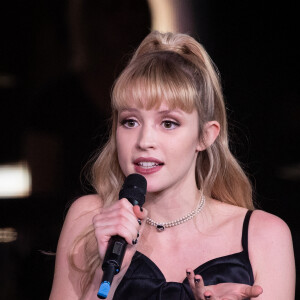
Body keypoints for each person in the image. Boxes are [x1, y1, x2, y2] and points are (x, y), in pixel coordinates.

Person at [49, 31, 295, 300]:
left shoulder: (265, 235)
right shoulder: (88, 218)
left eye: (168, 123)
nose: (145, 141)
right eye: (130, 121)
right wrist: (107, 277)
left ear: (205, 135)